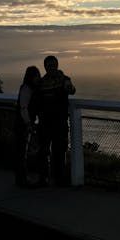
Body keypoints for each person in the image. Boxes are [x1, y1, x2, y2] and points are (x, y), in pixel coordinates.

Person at [35, 55, 76, 187]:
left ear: (57, 65)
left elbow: (72, 90)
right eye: (49, 65)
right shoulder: (41, 82)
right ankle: (44, 178)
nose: (51, 67)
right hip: (45, 122)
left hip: (59, 122)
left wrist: (69, 87)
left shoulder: (65, 79)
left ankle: (59, 179)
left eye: (53, 65)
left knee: (59, 151)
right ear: (45, 67)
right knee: (43, 151)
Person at [14, 65, 41, 187]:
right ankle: (22, 179)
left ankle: (22, 178)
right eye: (35, 76)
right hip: (22, 124)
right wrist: (29, 123)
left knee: (22, 151)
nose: (37, 78)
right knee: (21, 152)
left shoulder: (30, 88)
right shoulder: (26, 89)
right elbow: (23, 107)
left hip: (24, 123)